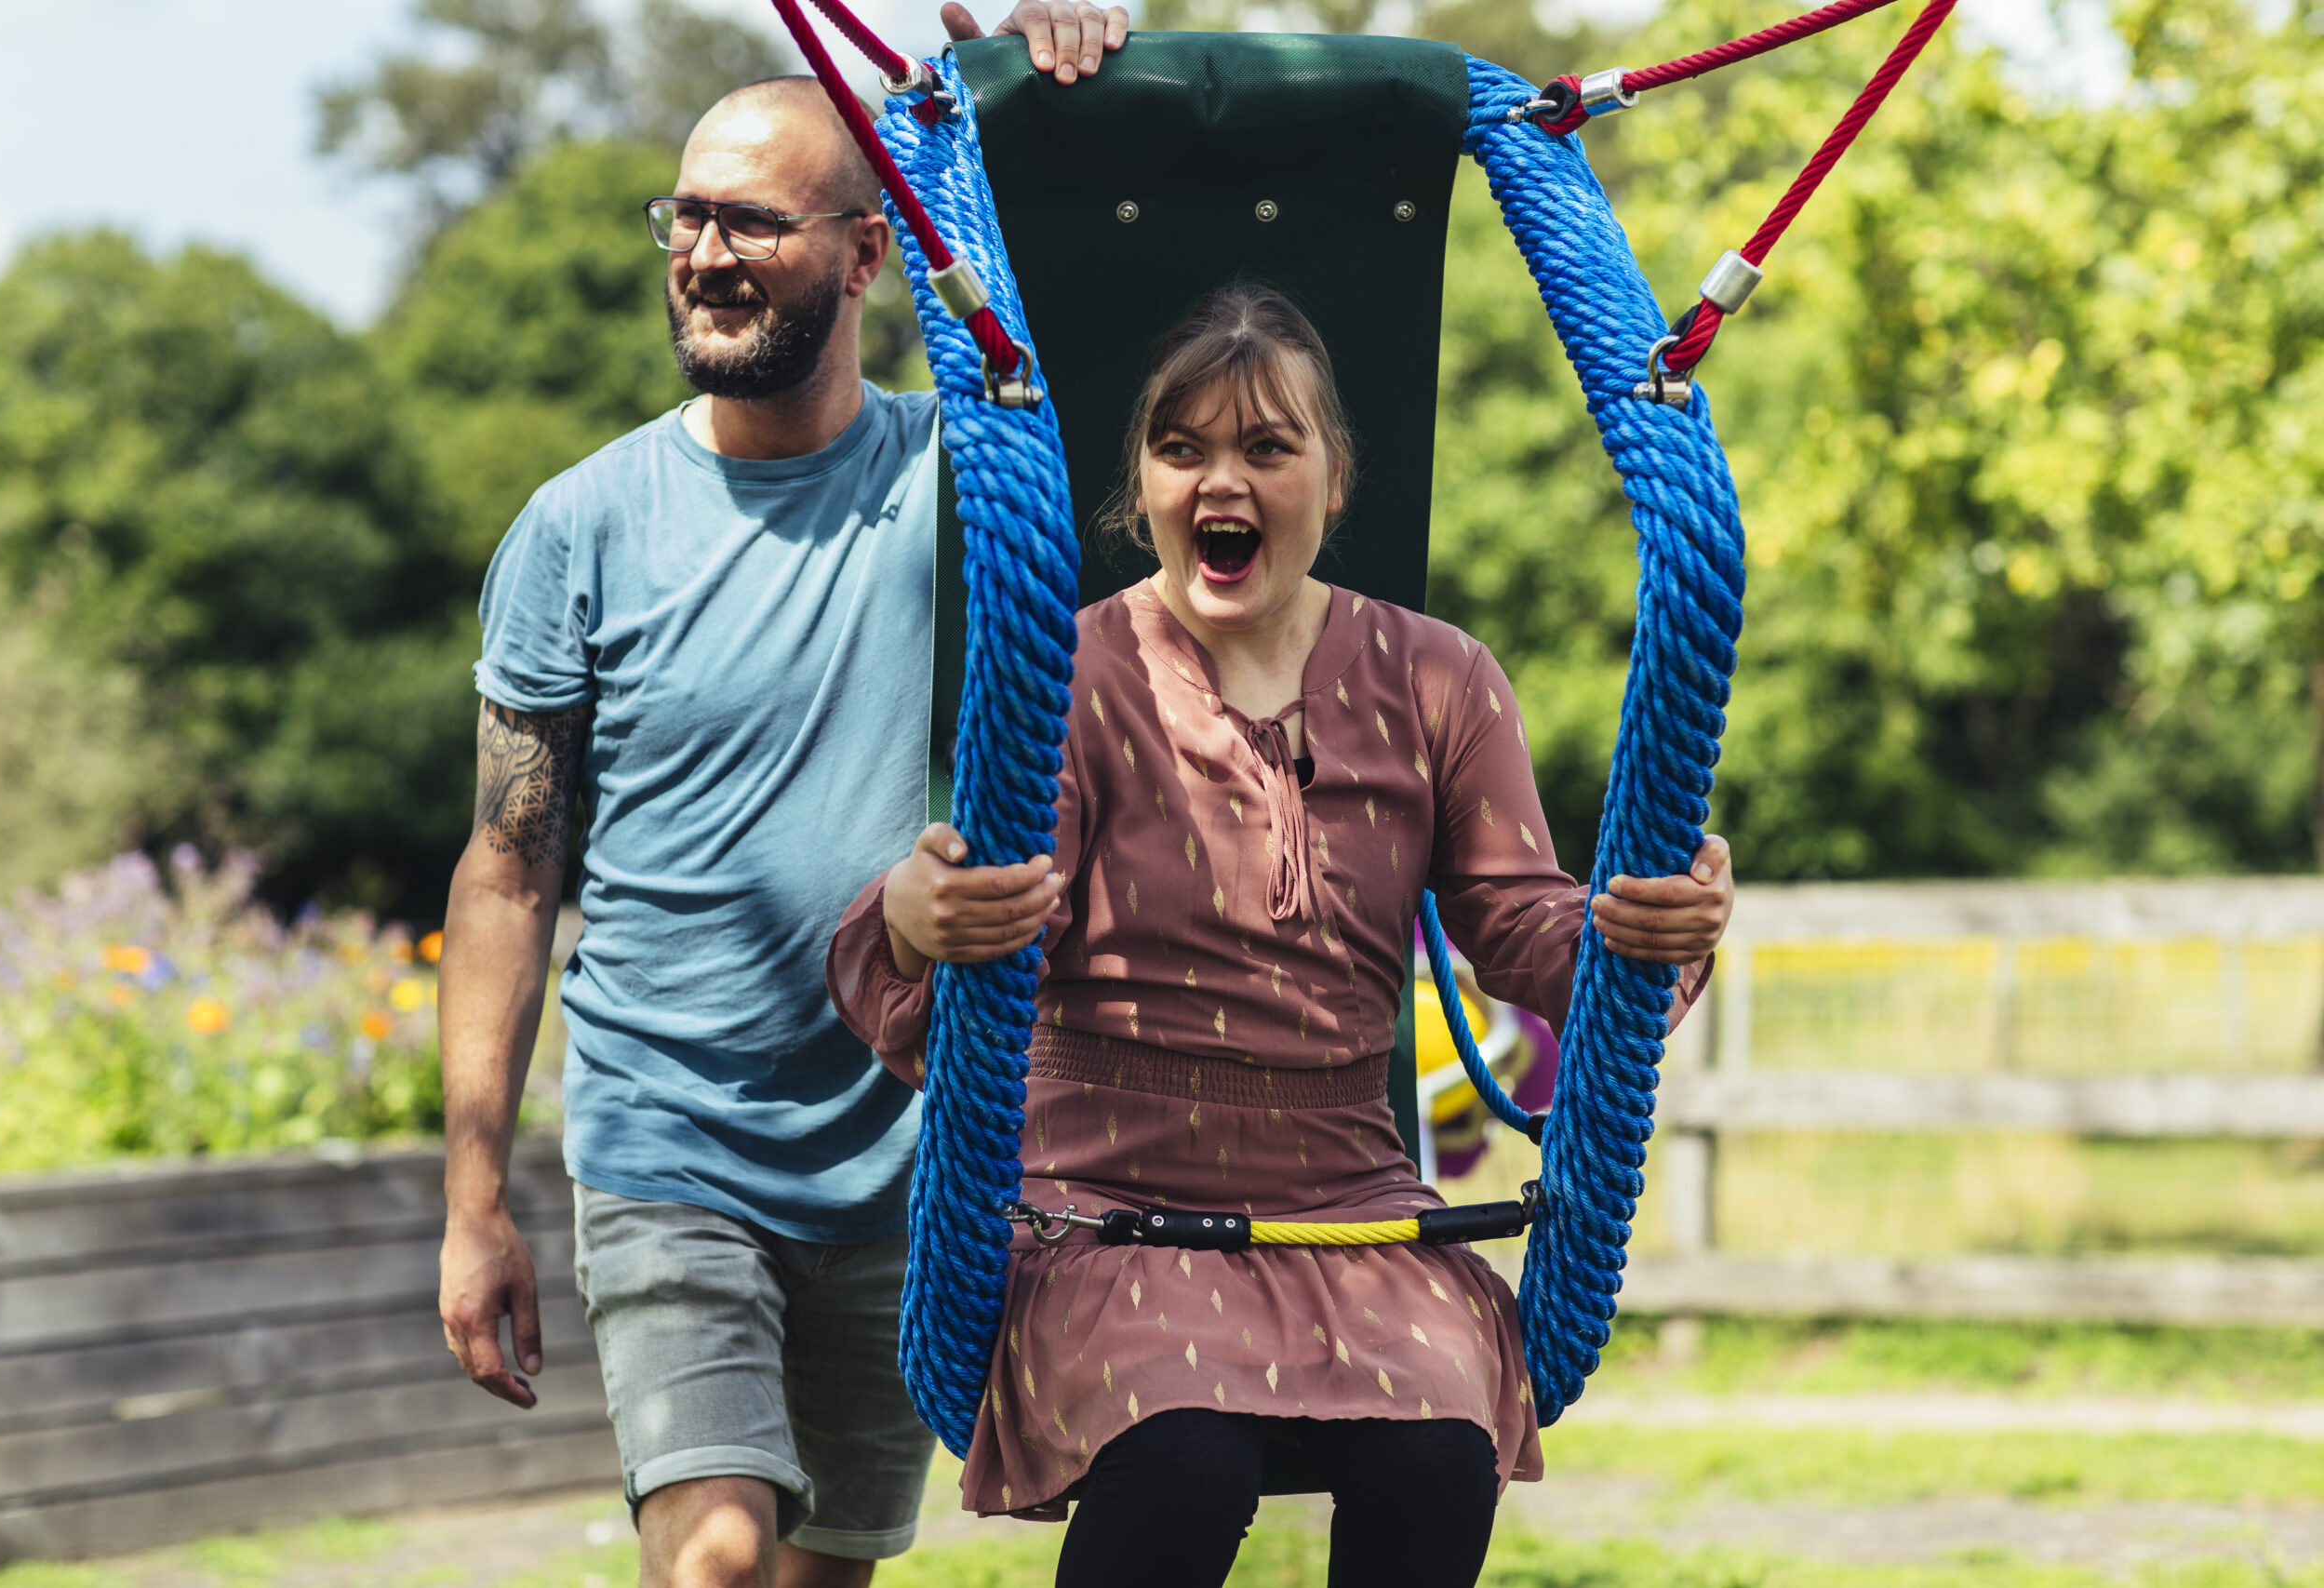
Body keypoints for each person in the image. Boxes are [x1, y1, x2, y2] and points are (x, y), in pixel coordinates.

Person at [824, 286, 1735, 1588]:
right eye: (1182, 449)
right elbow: (984, 922)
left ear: (1332, 478)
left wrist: (1646, 929)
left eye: (1266, 446)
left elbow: (1521, 928)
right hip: (1108, 1202)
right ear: (1138, 486)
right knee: (1185, 1458)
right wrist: (919, 921)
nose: (1220, 481)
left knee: (1436, 1453)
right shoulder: (1076, 675)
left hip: (1343, 1197)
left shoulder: (1439, 677)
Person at [434, 12, 1128, 1588]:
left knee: (815, 1581)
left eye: (751, 217)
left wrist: (1038, 79)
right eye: (686, 215)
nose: (704, 251)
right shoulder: (579, 527)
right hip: (668, 1133)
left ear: (871, 253)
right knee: (721, 1562)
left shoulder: (970, 481)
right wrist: (474, 1200)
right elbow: (504, 870)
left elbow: (1119, 330)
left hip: (908, 1150)